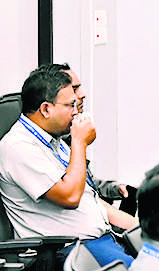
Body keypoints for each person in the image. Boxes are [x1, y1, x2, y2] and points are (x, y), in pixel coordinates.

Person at [0, 66, 137, 265]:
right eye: (70, 105)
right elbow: (70, 197)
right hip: (71, 250)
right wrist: (79, 143)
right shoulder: (18, 147)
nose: (76, 112)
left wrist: (142, 229)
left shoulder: (54, 142)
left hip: (101, 240)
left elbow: (91, 200)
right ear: (46, 109)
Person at [44, 63, 131, 204]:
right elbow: (72, 195)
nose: (82, 95)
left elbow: (88, 184)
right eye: (74, 89)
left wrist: (115, 189)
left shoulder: (67, 135)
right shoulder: (43, 144)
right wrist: (80, 143)